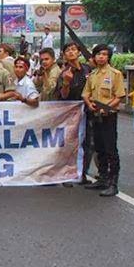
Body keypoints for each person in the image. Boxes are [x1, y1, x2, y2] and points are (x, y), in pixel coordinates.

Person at [82, 44, 126, 197]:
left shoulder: (115, 74)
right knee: (99, 148)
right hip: (95, 114)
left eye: (105, 54)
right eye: (99, 54)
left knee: (110, 149)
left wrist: (106, 107)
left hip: (108, 116)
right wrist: (90, 105)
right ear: (94, 57)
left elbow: (119, 96)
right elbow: (86, 94)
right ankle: (102, 178)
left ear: (108, 57)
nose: (101, 57)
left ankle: (113, 183)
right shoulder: (92, 75)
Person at [55, 41, 95, 184]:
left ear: (79, 52)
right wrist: (66, 82)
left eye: (74, 49)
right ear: (64, 55)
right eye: (68, 50)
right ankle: (67, 174)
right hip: (71, 113)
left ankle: (82, 173)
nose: (71, 52)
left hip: (88, 111)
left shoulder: (87, 69)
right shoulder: (64, 73)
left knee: (88, 143)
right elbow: (63, 95)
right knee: (69, 143)